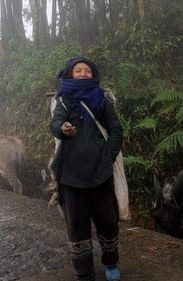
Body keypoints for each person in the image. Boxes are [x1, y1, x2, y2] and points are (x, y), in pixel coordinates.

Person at [49, 56, 124, 281]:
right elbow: (54, 124)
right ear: (70, 74)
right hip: (71, 176)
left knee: (108, 222)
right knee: (77, 226)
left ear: (93, 75)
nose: (83, 74)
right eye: (78, 70)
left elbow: (116, 130)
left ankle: (111, 263)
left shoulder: (102, 99)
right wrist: (63, 128)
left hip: (100, 175)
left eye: (87, 71)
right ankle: (84, 274)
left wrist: (107, 157)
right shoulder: (62, 100)